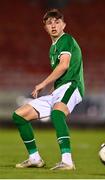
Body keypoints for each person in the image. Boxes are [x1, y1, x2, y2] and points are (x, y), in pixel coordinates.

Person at [12, 9, 85, 170]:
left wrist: (43, 84)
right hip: (59, 89)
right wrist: (54, 86)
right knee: (19, 116)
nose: (53, 25)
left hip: (72, 86)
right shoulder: (53, 48)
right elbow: (63, 69)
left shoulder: (66, 39)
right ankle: (34, 158)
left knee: (57, 114)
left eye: (57, 22)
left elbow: (64, 65)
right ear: (45, 27)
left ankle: (67, 161)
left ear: (63, 25)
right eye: (49, 23)